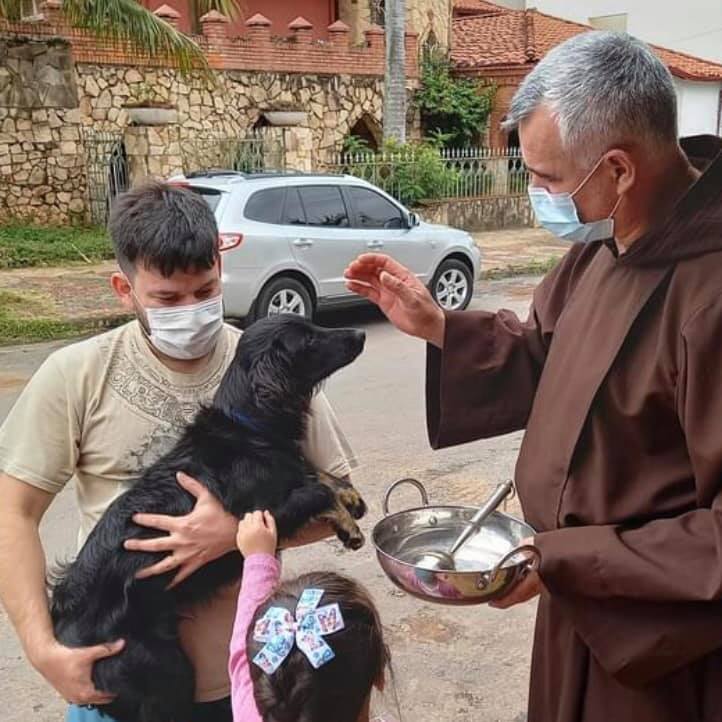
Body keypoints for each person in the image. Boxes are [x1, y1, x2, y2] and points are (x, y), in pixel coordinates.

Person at [345, 30, 722, 722]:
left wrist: (572, 561)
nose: (537, 195)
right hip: (581, 610)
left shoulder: (710, 293)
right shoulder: (608, 244)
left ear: (619, 169)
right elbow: (548, 354)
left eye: (548, 178)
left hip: (661, 648)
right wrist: (441, 326)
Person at [0, 182, 356, 722]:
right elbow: (12, 513)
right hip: (118, 679)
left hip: (247, 681)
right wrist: (40, 647)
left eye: (204, 290)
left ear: (220, 266)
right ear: (125, 287)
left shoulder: (271, 360)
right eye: (168, 298)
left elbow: (340, 509)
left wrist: (230, 536)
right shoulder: (76, 374)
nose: (190, 310)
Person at [231, 510, 392, 722]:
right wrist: (257, 560)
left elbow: (242, 644)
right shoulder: (247, 696)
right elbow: (243, 647)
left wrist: (258, 560)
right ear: (379, 678)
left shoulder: (248, 709)